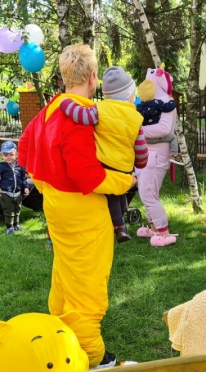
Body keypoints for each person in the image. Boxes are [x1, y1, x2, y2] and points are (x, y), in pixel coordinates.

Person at [18, 44, 134, 369]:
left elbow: (26, 149)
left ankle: (61, 331)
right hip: (82, 209)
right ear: (93, 76)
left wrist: (47, 186)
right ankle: (93, 356)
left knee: (66, 271)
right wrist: (125, 181)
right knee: (88, 279)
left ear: (65, 76)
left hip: (56, 204)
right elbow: (88, 176)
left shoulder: (51, 107)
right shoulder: (78, 116)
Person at [57, 66, 148, 242]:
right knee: (119, 192)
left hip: (106, 161)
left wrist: (65, 103)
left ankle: (119, 226)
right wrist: (141, 164)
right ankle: (121, 221)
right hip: (125, 165)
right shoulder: (136, 117)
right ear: (129, 95)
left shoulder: (100, 109)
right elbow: (141, 148)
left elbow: (81, 116)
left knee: (112, 194)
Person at [136, 66, 179, 247]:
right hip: (147, 153)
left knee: (149, 194)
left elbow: (164, 129)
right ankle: (155, 229)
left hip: (155, 154)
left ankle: (164, 233)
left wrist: (137, 131)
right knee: (145, 192)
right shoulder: (154, 101)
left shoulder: (165, 101)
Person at [136, 77, 181, 165]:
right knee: (173, 137)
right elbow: (168, 107)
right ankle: (174, 155)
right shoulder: (157, 103)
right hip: (157, 138)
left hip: (145, 139)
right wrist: (172, 101)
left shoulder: (139, 107)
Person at [0, 142, 29, 235]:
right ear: (2, 156)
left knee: (17, 209)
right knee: (9, 210)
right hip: (6, 193)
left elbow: (23, 178)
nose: (9, 157)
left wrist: (25, 187)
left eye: (11, 154)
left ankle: (16, 224)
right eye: (6, 155)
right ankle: (10, 227)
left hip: (17, 193)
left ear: (16, 154)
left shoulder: (20, 166)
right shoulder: (0, 167)